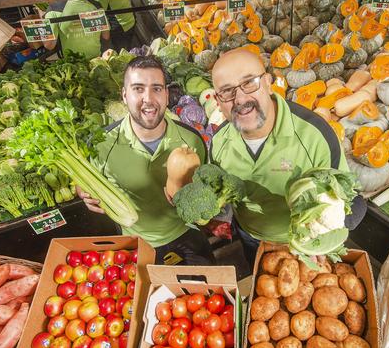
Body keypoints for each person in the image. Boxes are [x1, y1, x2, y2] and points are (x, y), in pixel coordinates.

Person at [209, 48, 366, 264]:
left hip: (303, 245)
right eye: (227, 91)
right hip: (250, 236)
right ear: (218, 101)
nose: (240, 99)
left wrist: (324, 235)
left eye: (249, 83)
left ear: (268, 83)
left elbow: (352, 199)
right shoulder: (218, 142)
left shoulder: (315, 135)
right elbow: (222, 193)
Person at [77, 55, 215, 266]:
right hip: (134, 244)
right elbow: (82, 178)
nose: (148, 98)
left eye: (157, 88)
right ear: (124, 95)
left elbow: (204, 188)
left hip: (186, 233)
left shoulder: (191, 139)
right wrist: (82, 191)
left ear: (167, 95)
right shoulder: (101, 144)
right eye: (138, 89)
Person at [41, 0, 108, 59]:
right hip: (96, 60)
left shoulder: (54, 8)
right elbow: (106, 36)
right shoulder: (96, 5)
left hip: (73, 64)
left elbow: (49, 45)